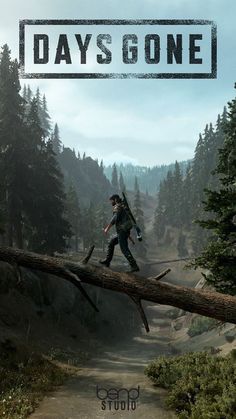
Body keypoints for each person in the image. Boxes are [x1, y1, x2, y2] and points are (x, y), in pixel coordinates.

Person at [99, 194, 140, 273]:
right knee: (112, 242)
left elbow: (114, 219)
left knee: (124, 249)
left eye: (111, 201)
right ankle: (107, 261)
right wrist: (129, 236)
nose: (111, 203)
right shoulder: (122, 206)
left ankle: (134, 266)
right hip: (123, 231)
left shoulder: (118, 206)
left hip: (122, 231)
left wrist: (107, 228)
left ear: (114, 199)